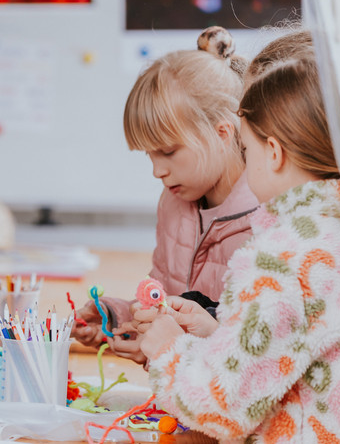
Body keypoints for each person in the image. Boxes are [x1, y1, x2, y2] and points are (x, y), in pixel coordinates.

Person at [123, 34, 340, 441]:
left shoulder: (280, 257)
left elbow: (220, 408)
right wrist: (215, 334)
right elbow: (297, 360)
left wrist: (167, 349)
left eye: (245, 149)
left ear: (274, 152)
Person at [72, 26, 257, 352]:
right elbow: (165, 303)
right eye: (149, 155)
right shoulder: (173, 202)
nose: (157, 171)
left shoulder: (267, 220)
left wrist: (172, 343)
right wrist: (119, 320)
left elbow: (259, 351)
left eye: (168, 152)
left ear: (222, 133)